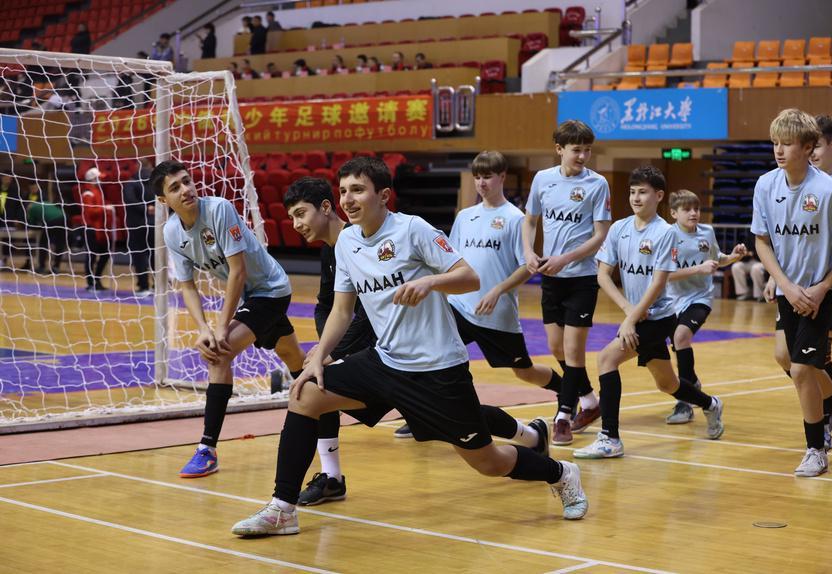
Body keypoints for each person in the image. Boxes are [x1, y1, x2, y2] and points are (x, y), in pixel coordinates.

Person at [230, 157, 588, 536]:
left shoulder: (413, 229)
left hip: (438, 369)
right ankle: (283, 508)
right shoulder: (347, 242)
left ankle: (561, 473)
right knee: (304, 395)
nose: (348, 199)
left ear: (383, 196)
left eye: (358, 190)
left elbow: (469, 277)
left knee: (488, 462)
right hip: (384, 361)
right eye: (344, 190)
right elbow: (342, 310)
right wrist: (318, 357)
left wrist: (430, 282)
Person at [149, 160, 307, 478]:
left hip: (271, 290)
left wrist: (220, 327)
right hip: (252, 298)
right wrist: (202, 328)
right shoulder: (171, 232)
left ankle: (207, 450)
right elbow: (187, 285)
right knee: (292, 356)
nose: (186, 189)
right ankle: (326, 402)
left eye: (187, 181)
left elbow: (238, 271)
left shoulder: (219, 209)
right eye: (175, 187)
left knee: (219, 354)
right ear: (164, 200)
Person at [395, 151, 564, 439]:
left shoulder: (516, 219)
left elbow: (527, 267)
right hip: (460, 306)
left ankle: (566, 390)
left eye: (487, 176)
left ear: (502, 177)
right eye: (477, 177)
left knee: (523, 370)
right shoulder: (465, 216)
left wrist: (498, 290)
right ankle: (421, 416)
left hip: (495, 314)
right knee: (431, 355)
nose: (481, 183)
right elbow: (453, 260)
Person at [573, 166, 726, 459]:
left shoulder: (665, 233)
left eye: (642, 192)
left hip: (659, 318)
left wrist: (632, 319)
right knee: (667, 383)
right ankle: (710, 404)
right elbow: (603, 275)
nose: (635, 197)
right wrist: (628, 311)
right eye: (632, 192)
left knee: (606, 359)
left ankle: (610, 438)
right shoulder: (619, 228)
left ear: (659, 196)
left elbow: (658, 283)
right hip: (637, 315)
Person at [752, 108, 832, 477]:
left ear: (808, 147)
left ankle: (816, 449)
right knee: (787, 358)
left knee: (803, 368)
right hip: (789, 288)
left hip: (822, 290)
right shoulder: (765, 185)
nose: (778, 150)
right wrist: (781, 282)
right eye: (775, 143)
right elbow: (761, 240)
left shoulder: (831, 190)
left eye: (787, 143)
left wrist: (823, 286)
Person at [283, 177, 377, 505]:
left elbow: (368, 313)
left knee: (459, 428)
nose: (296, 225)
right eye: (291, 218)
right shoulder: (330, 251)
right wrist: (325, 347)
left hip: (395, 351)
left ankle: (522, 431)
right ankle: (332, 477)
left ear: (325, 207)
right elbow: (326, 305)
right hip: (365, 348)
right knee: (316, 383)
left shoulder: (359, 243)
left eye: (300, 214)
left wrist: (331, 350)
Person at [522, 120, 610, 445]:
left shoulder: (597, 184)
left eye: (587, 150)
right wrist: (528, 251)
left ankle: (563, 416)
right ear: (559, 149)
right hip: (551, 278)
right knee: (557, 348)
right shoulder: (542, 179)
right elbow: (530, 220)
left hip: (581, 279)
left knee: (574, 351)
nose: (583, 156)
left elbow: (601, 234)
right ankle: (589, 401)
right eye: (577, 150)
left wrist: (565, 258)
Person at [664, 190, 747, 424]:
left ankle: (684, 404)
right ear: (674, 213)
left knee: (681, 337)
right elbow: (664, 275)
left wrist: (734, 256)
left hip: (700, 298)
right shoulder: (667, 236)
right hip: (672, 302)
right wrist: (698, 269)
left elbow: (717, 259)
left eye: (697, 209)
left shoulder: (707, 232)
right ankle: (691, 384)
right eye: (687, 209)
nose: (693, 213)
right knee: (677, 346)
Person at [123, 159, 155, 296]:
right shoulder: (155, 183)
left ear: (137, 167)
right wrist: (153, 209)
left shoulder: (131, 183)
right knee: (156, 255)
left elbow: (129, 200)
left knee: (139, 256)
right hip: (154, 224)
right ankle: (158, 285)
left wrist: (145, 209)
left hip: (136, 225)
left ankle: (143, 286)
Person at [81, 167, 113, 292]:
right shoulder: (88, 193)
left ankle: (97, 279)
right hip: (91, 229)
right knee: (91, 256)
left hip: (101, 228)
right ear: (93, 179)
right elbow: (90, 212)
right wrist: (104, 208)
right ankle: (90, 283)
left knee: (105, 254)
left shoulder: (97, 191)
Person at [23, 183, 67, 274]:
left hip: (52, 221)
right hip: (64, 218)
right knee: (60, 243)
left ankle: (41, 267)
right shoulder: (44, 202)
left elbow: (32, 224)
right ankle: (56, 267)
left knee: (43, 243)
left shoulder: (31, 209)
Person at [0, 174, 22, 269]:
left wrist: (18, 218)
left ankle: (3, 260)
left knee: (7, 240)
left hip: (9, 220)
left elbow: (19, 206)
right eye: (5, 177)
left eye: (9, 178)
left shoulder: (15, 191)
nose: (7, 179)